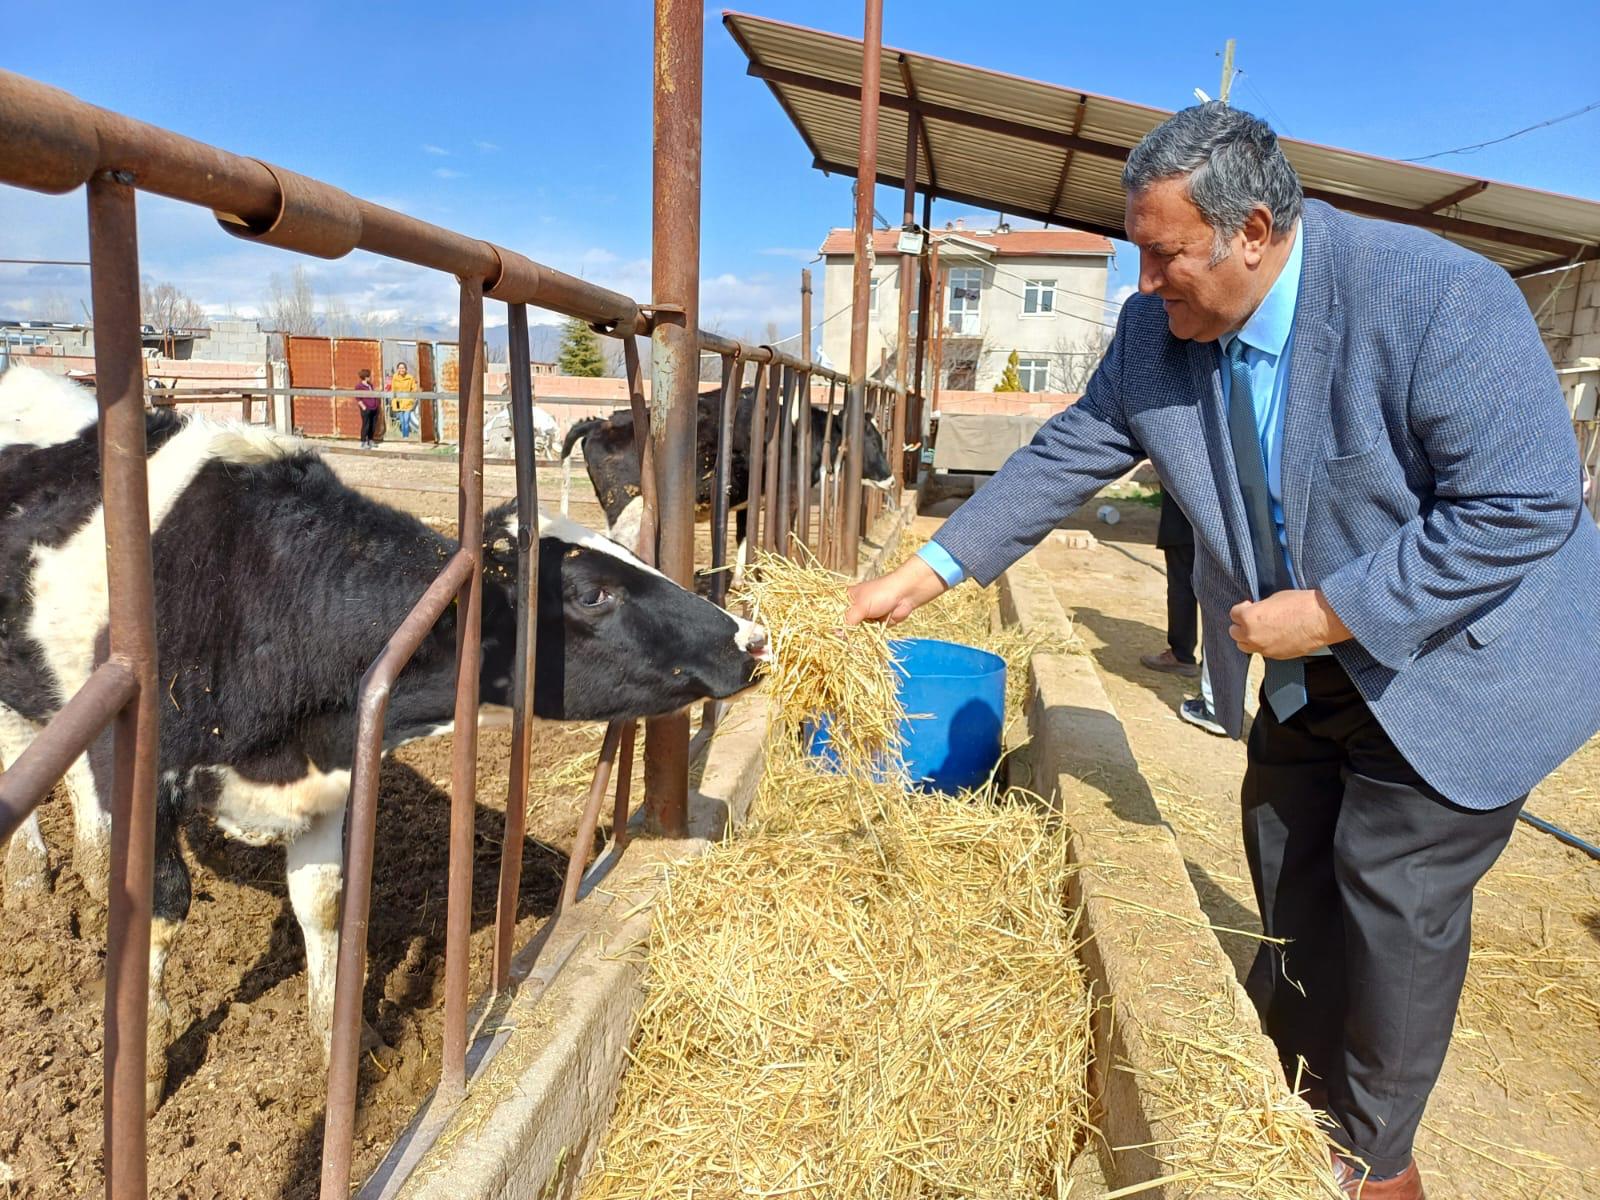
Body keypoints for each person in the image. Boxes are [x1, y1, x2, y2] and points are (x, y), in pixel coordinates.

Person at [846, 103, 1600, 1199]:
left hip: (1463, 656)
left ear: (1252, 232)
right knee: (1286, 859)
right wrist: (922, 575)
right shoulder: (1161, 331)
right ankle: (1276, 1110)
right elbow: (1066, 454)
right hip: (1313, 665)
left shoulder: (1434, 296)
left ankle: (1374, 1163)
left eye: (1162, 254)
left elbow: (1521, 506)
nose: (1145, 283)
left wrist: (1332, 610)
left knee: (1390, 904)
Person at [1140, 489, 1201, 678]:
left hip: (1184, 521)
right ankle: (1214, 668)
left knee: (1182, 585)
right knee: (1219, 594)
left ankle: (1181, 655)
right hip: (1221, 525)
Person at [389, 361, 418, 439]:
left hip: (407, 401)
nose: (401, 369)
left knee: (406, 419)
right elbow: (393, 389)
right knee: (401, 420)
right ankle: (403, 435)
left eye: (403, 368)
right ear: (397, 369)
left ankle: (406, 436)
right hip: (398, 401)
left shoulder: (410, 377)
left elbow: (414, 388)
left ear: (406, 369)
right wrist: (393, 399)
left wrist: (412, 397)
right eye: (400, 368)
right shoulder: (394, 377)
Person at [355, 368, 379, 448]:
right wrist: (363, 407)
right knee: (366, 425)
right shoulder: (359, 386)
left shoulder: (370, 385)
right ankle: (363, 442)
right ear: (365, 377)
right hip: (366, 408)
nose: (370, 377)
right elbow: (358, 398)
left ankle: (370, 440)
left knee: (373, 425)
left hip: (374, 408)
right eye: (369, 376)